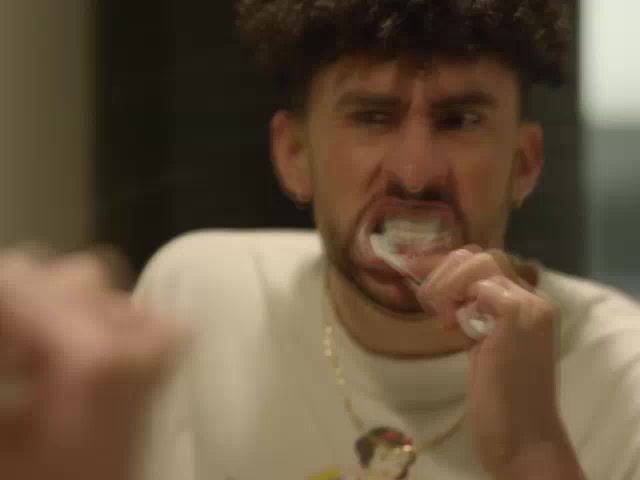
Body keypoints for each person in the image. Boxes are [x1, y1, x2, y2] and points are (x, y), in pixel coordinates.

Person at [1, 1, 640, 479]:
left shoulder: (624, 373)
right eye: (372, 117)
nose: (414, 173)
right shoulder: (194, 296)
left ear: (524, 164)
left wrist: (533, 454)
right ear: (294, 155)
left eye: (460, 120)